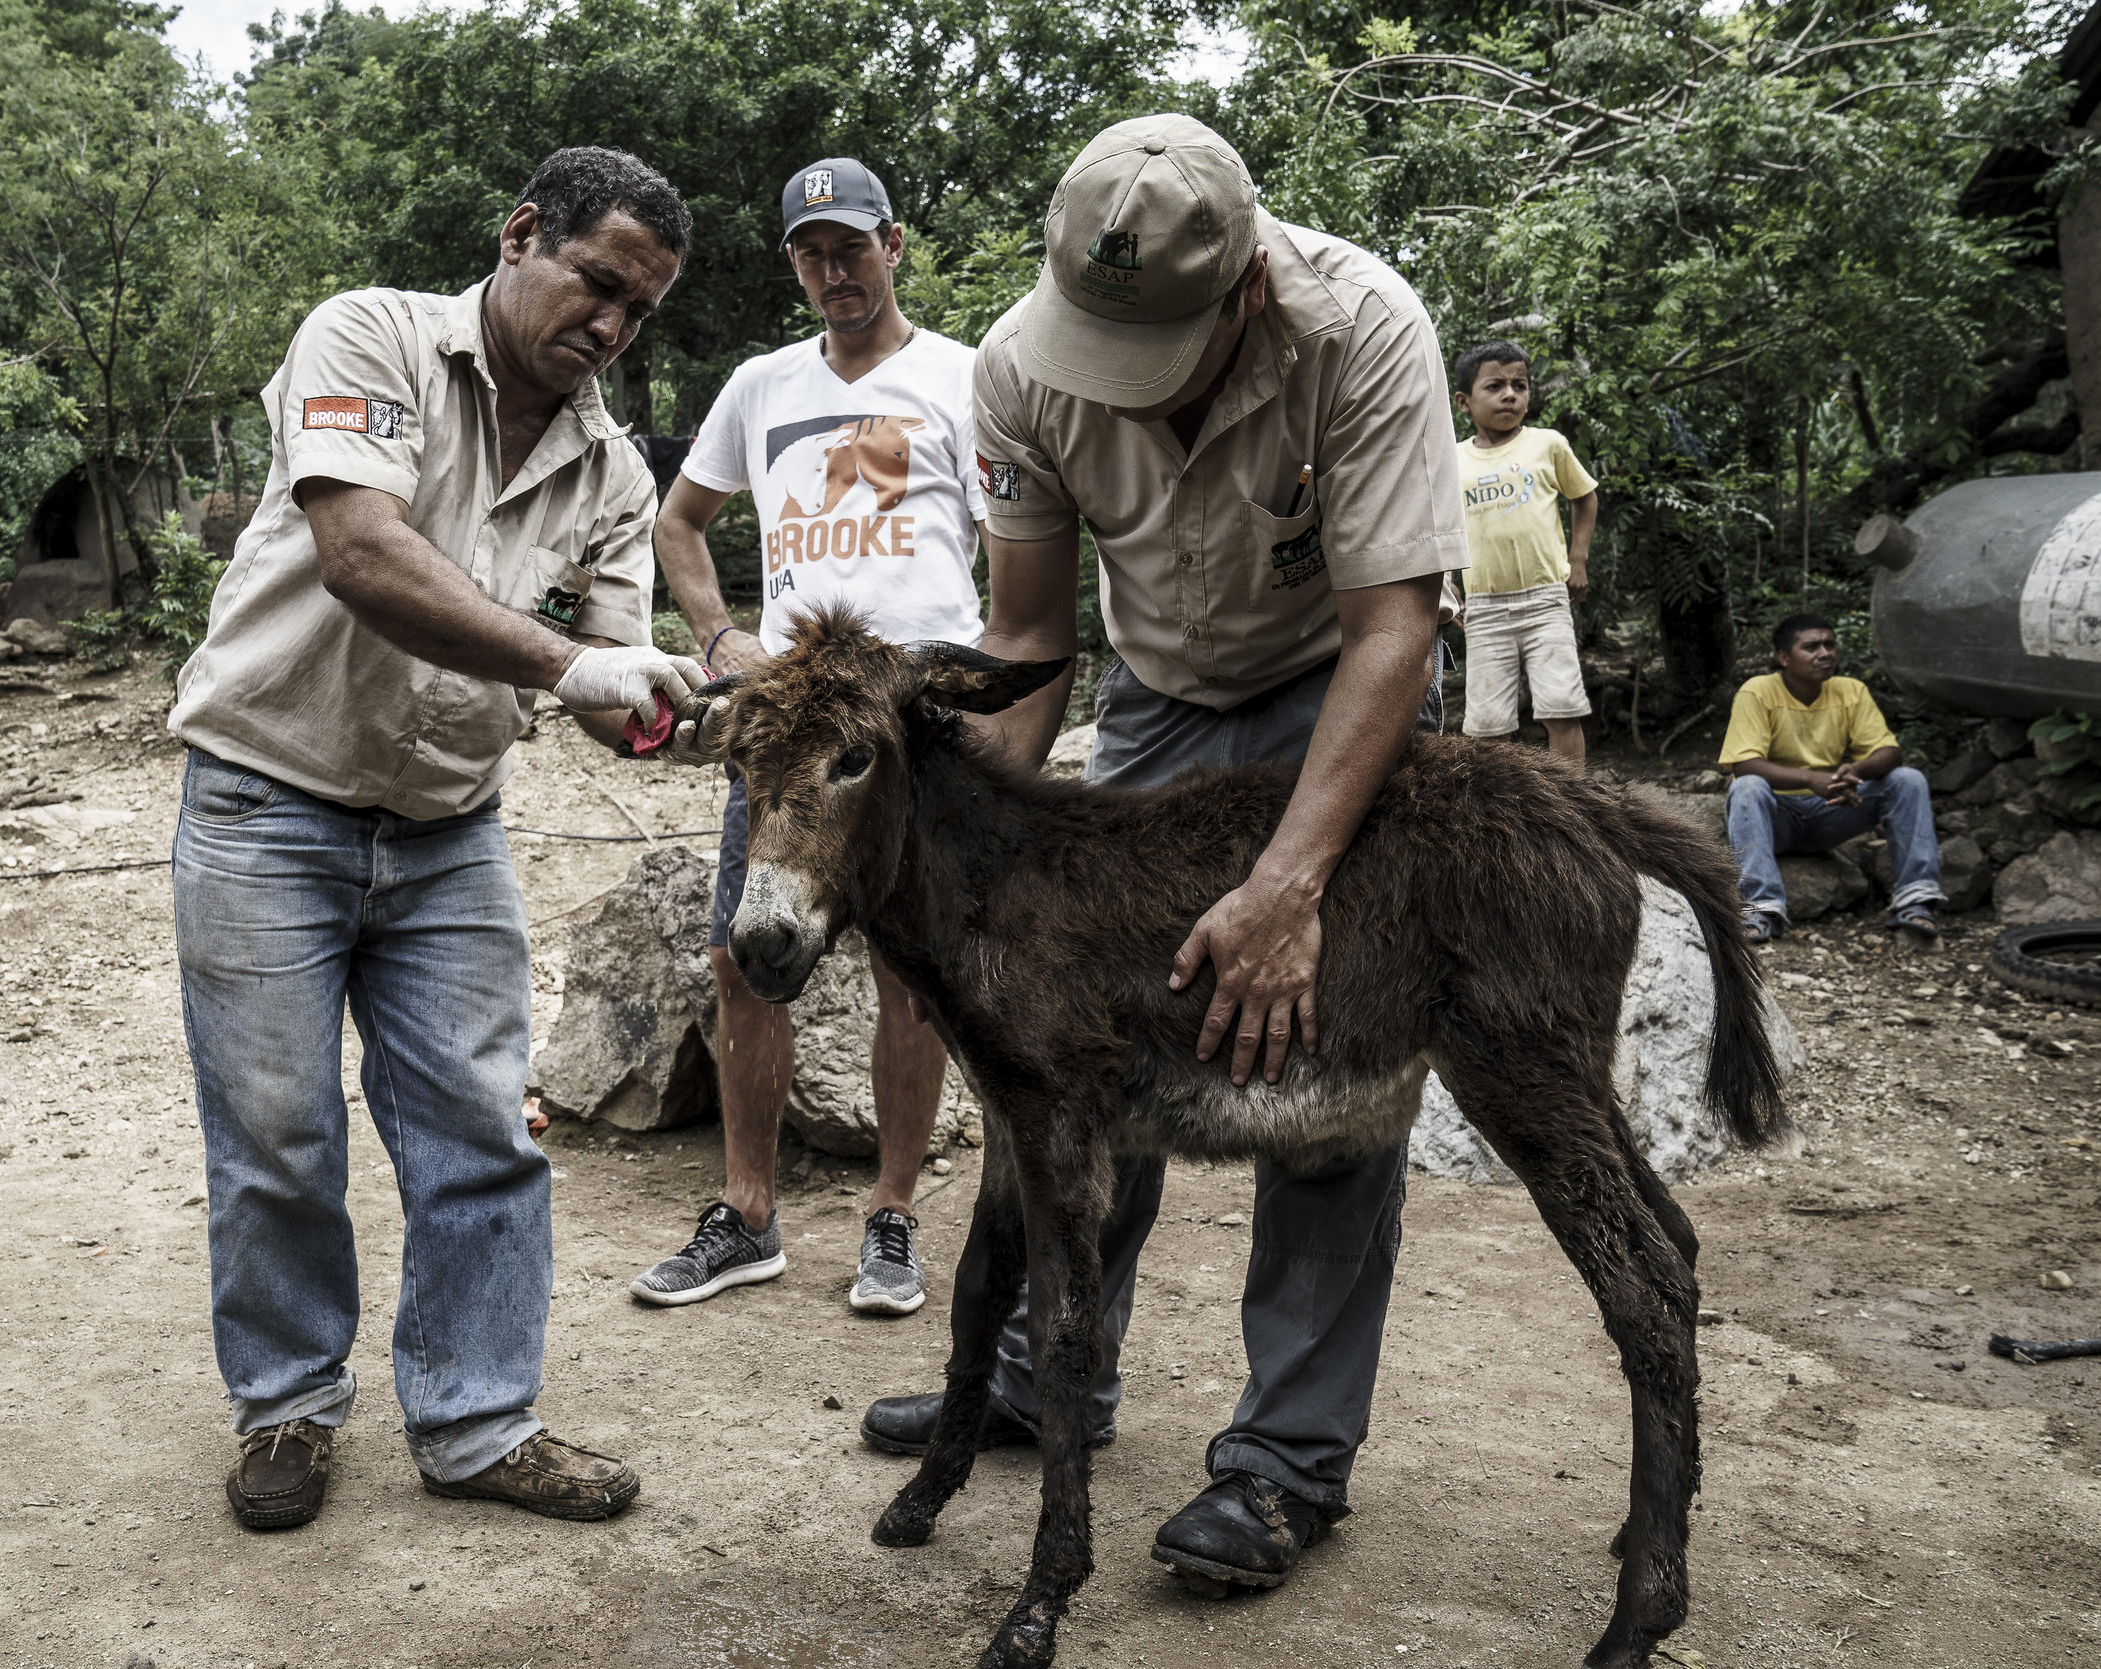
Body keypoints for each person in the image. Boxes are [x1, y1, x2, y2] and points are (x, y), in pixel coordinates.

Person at [856, 113, 1466, 1600]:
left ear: (1247, 287)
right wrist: (966, 904)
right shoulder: (1020, 367)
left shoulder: (1364, 329)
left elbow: (1397, 626)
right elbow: (1031, 639)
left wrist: (1290, 883)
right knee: (1064, 1050)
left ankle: (1281, 1464)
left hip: (1342, 692)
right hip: (1159, 695)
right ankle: (1040, 1370)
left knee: (1315, 1070)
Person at [165, 147, 708, 1532]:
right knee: (278, 1134)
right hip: (265, 801)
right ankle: (288, 1403)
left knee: (484, 1134)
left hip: (448, 831)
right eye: (596, 283)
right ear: (523, 235)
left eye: (637, 311)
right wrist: (567, 668)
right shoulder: (371, 335)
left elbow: (608, 669)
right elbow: (362, 552)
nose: (609, 324)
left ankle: (476, 1419)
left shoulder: (614, 471)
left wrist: (667, 711)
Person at [638, 156, 983, 1316]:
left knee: (910, 970)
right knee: (747, 954)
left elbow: (1025, 530)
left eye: (850, 246)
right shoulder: (760, 386)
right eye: (809, 253)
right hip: (787, 723)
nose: (832, 271)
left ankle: (891, 1215)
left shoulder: (966, 377)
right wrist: (719, 638)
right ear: (792, 262)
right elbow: (679, 522)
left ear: (894, 241)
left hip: (913, 719)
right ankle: (745, 1214)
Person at [1723, 613, 1943, 943]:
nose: (1825, 653)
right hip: (1776, 817)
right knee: (1747, 788)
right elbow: (1743, 764)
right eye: (1811, 647)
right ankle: (1761, 910)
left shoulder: (1850, 690)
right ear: (1784, 658)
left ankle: (1916, 902)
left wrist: (1854, 773)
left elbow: (1889, 753)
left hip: (1832, 808)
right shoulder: (1757, 692)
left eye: (1830, 645)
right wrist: (1812, 779)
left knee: (1907, 779)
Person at [1452, 339, 1599, 763]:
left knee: (1562, 709)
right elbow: (1441, 525)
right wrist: (1446, 584)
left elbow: (1585, 497)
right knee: (1488, 726)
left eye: (1520, 385)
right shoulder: (1453, 460)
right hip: (1484, 607)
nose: (1510, 395)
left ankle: (1573, 806)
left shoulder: (1547, 444)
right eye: (1495, 386)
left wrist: (1578, 560)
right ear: (1464, 401)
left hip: (1545, 602)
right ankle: (1502, 816)